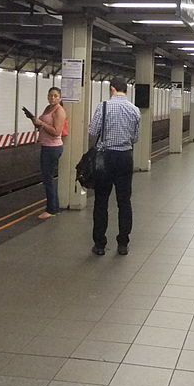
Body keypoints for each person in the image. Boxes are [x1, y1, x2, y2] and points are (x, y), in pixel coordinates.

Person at [88, 76, 141, 256]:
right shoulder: (134, 110)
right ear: (125, 90)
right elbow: (135, 138)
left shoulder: (103, 107)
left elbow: (93, 131)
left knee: (101, 201)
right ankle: (123, 243)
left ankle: (100, 244)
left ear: (111, 89)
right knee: (124, 201)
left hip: (105, 158)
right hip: (125, 157)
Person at [32, 87, 67, 219]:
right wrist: (35, 121)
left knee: (48, 179)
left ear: (60, 98)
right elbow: (42, 125)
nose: (52, 98)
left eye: (55, 96)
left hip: (53, 147)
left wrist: (41, 123)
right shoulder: (48, 108)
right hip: (46, 145)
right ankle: (55, 207)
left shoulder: (59, 111)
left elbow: (56, 131)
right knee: (48, 178)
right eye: (50, 95)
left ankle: (51, 209)